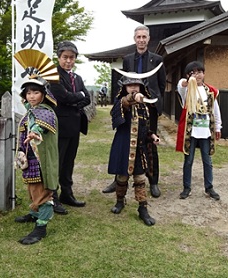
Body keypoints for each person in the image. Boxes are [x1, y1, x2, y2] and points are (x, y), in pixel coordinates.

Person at [102, 25, 166, 198]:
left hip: (149, 107)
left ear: (148, 39)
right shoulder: (128, 59)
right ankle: (119, 180)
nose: (141, 40)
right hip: (130, 106)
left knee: (149, 143)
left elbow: (161, 84)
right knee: (124, 141)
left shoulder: (157, 59)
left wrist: (156, 104)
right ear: (134, 39)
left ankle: (153, 181)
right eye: (138, 37)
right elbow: (123, 81)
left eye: (144, 37)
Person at [107, 75, 160, 226]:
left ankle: (142, 208)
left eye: (137, 85)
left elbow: (146, 129)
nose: (134, 87)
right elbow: (123, 105)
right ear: (124, 88)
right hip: (124, 147)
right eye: (130, 85)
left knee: (140, 179)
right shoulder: (120, 103)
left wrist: (152, 136)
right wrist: (132, 97)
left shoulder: (144, 107)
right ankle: (119, 201)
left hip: (139, 149)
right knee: (122, 178)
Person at [14, 77, 59, 245]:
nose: (32, 96)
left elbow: (38, 127)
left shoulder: (45, 111)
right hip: (30, 157)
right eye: (29, 92)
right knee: (32, 188)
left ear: (43, 94)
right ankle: (35, 213)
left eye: (36, 92)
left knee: (42, 191)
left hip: (41, 159)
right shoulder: (31, 111)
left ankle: (41, 227)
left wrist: (35, 133)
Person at [49, 41, 91, 213]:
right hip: (60, 125)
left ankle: (67, 193)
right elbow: (62, 97)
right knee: (56, 162)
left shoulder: (77, 78)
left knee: (69, 162)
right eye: (65, 57)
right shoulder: (53, 76)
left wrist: (76, 97)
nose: (68, 61)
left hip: (75, 125)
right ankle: (53, 197)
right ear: (59, 58)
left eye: (71, 58)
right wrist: (77, 96)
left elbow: (87, 98)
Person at [176, 61, 222, 201]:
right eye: (193, 73)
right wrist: (188, 80)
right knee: (188, 161)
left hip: (206, 131)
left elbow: (215, 110)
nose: (198, 75)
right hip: (191, 131)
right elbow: (181, 84)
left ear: (204, 73)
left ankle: (209, 187)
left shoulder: (211, 91)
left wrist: (218, 127)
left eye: (200, 72)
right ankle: (186, 187)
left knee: (207, 161)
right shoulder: (187, 90)